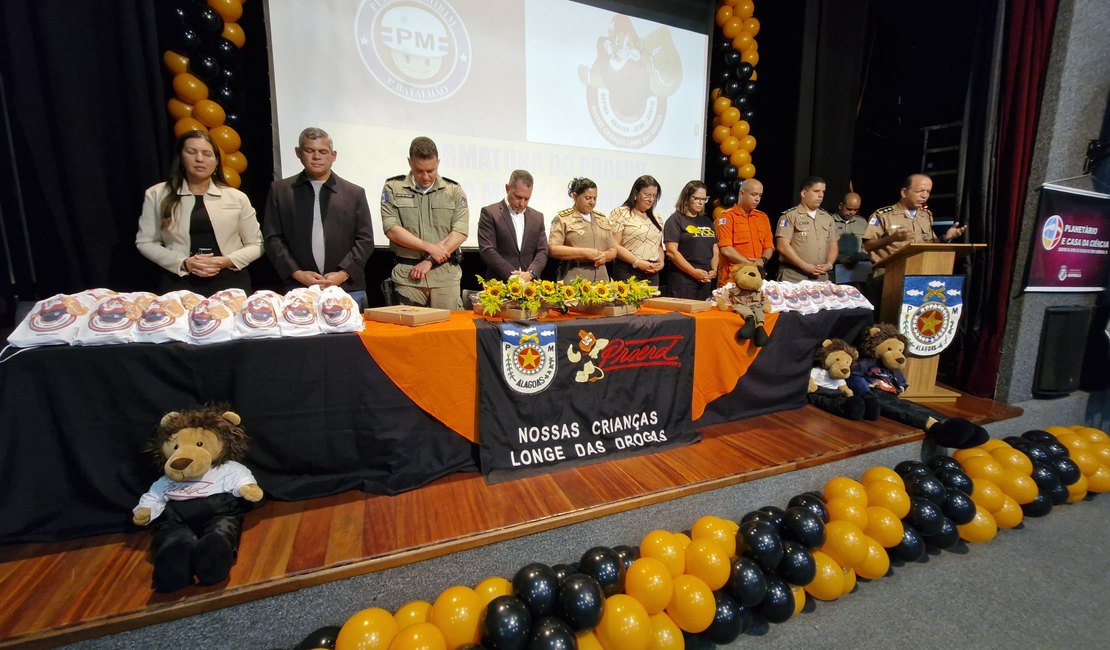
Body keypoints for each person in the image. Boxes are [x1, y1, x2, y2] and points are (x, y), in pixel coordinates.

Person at [136, 130, 262, 294]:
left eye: (207, 154)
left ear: (217, 161)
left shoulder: (237, 197)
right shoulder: (157, 194)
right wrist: (183, 263)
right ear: (181, 157)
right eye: (191, 152)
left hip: (230, 280)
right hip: (178, 281)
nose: (200, 159)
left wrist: (226, 261)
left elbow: (257, 244)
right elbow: (145, 242)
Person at [262, 127, 374, 308]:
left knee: (351, 337)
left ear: (333, 155)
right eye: (309, 151)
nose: (316, 157)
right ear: (298, 153)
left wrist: (343, 274)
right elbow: (273, 237)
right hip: (298, 288)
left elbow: (365, 240)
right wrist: (297, 273)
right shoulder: (280, 191)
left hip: (348, 288)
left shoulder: (354, 193)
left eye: (322, 151)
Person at [381, 136, 469, 309]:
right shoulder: (393, 187)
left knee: (447, 333)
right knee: (411, 333)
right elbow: (392, 229)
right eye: (419, 170)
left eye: (431, 170)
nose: (425, 176)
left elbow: (459, 232)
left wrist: (429, 260)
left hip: (445, 276)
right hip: (408, 276)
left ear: (438, 162)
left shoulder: (453, 190)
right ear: (409, 162)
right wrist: (429, 247)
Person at [862, 173, 968, 266]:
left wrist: (945, 238)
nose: (925, 196)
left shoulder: (926, 216)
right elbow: (867, 246)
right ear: (904, 192)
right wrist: (891, 238)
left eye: (928, 191)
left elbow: (929, 245)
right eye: (920, 191)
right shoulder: (883, 215)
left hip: (919, 269)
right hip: (888, 273)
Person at [477, 170, 548, 282]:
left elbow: (542, 251)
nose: (522, 203)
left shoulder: (537, 217)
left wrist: (531, 273)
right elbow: (487, 250)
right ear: (507, 188)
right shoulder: (490, 213)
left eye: (527, 199)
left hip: (530, 285)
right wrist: (514, 277)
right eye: (518, 197)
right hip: (499, 285)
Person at [548, 177, 617, 283]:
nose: (592, 202)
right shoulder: (563, 219)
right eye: (588, 198)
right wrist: (584, 253)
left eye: (595, 198)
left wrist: (605, 256)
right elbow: (553, 249)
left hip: (601, 279)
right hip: (575, 277)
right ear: (575, 196)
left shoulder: (602, 219)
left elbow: (613, 249)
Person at [775, 176, 838, 282]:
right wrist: (804, 266)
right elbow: (782, 246)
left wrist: (829, 264)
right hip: (794, 276)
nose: (821, 195)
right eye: (816, 191)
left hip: (820, 277)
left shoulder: (827, 218)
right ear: (804, 193)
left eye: (823, 192)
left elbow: (833, 245)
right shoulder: (790, 216)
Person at [663, 181, 718, 300]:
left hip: (705, 278)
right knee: (684, 317)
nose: (701, 202)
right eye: (697, 198)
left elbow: (715, 248)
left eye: (704, 199)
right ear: (687, 198)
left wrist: (714, 269)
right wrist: (693, 272)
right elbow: (672, 252)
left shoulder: (707, 221)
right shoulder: (675, 220)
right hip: (683, 279)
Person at [715, 178, 773, 286]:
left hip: (756, 278)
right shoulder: (727, 217)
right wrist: (751, 264)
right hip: (732, 279)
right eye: (754, 194)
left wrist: (762, 260)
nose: (757, 199)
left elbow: (769, 246)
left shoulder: (762, 217)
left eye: (760, 195)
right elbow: (726, 249)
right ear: (742, 193)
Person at [609, 175, 665, 285]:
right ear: (635, 193)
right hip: (628, 270)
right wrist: (637, 262)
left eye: (654, 196)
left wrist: (661, 262)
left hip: (651, 273)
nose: (651, 199)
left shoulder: (657, 217)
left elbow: (658, 246)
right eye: (647, 195)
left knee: (651, 302)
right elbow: (614, 245)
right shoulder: (621, 213)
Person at [832, 191, 871, 287]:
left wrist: (861, 256)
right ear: (841, 205)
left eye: (855, 210)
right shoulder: (829, 221)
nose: (852, 213)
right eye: (849, 209)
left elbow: (867, 245)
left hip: (859, 269)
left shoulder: (861, 222)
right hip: (835, 269)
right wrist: (840, 259)